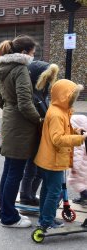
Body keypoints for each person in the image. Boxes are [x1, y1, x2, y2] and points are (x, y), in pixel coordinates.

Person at [0, 35, 41, 228]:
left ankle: (4, 211)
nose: (33, 56)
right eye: (32, 53)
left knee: (9, 171)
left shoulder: (3, 68)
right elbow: (25, 102)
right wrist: (39, 120)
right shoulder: (20, 68)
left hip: (9, 120)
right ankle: (9, 217)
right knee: (15, 172)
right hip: (20, 125)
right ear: (24, 53)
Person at [34, 80, 86, 230]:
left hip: (48, 158)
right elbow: (57, 139)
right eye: (72, 96)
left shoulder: (59, 110)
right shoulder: (57, 114)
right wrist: (80, 139)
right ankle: (46, 222)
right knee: (54, 191)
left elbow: (63, 131)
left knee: (47, 189)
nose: (74, 99)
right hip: (53, 160)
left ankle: (44, 218)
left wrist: (77, 132)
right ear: (65, 96)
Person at [19, 62, 59, 206]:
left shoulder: (40, 93)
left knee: (37, 169)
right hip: (35, 137)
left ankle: (29, 194)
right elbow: (34, 116)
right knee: (32, 168)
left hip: (41, 136)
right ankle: (26, 195)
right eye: (47, 77)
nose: (49, 80)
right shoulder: (33, 95)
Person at [69, 115, 87, 207]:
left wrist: (74, 167)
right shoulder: (84, 136)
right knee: (83, 182)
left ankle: (85, 197)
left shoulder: (78, 140)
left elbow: (77, 154)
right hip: (84, 165)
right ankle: (83, 198)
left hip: (79, 167)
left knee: (75, 182)